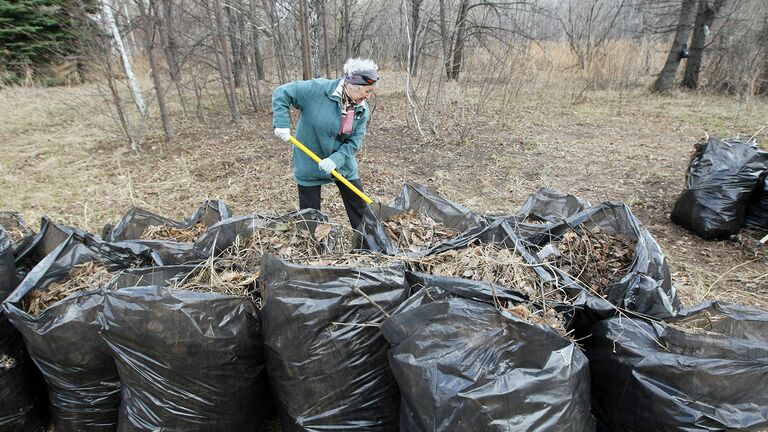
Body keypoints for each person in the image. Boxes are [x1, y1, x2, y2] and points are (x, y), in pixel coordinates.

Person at [272, 58, 378, 230]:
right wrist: (281, 123)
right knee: (310, 215)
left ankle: (368, 243)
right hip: (310, 157)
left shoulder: (361, 109)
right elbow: (281, 93)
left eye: (371, 91)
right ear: (352, 85)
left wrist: (335, 160)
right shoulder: (316, 90)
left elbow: (353, 142)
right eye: (366, 91)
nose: (368, 96)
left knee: (359, 206)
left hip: (341, 160)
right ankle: (312, 248)